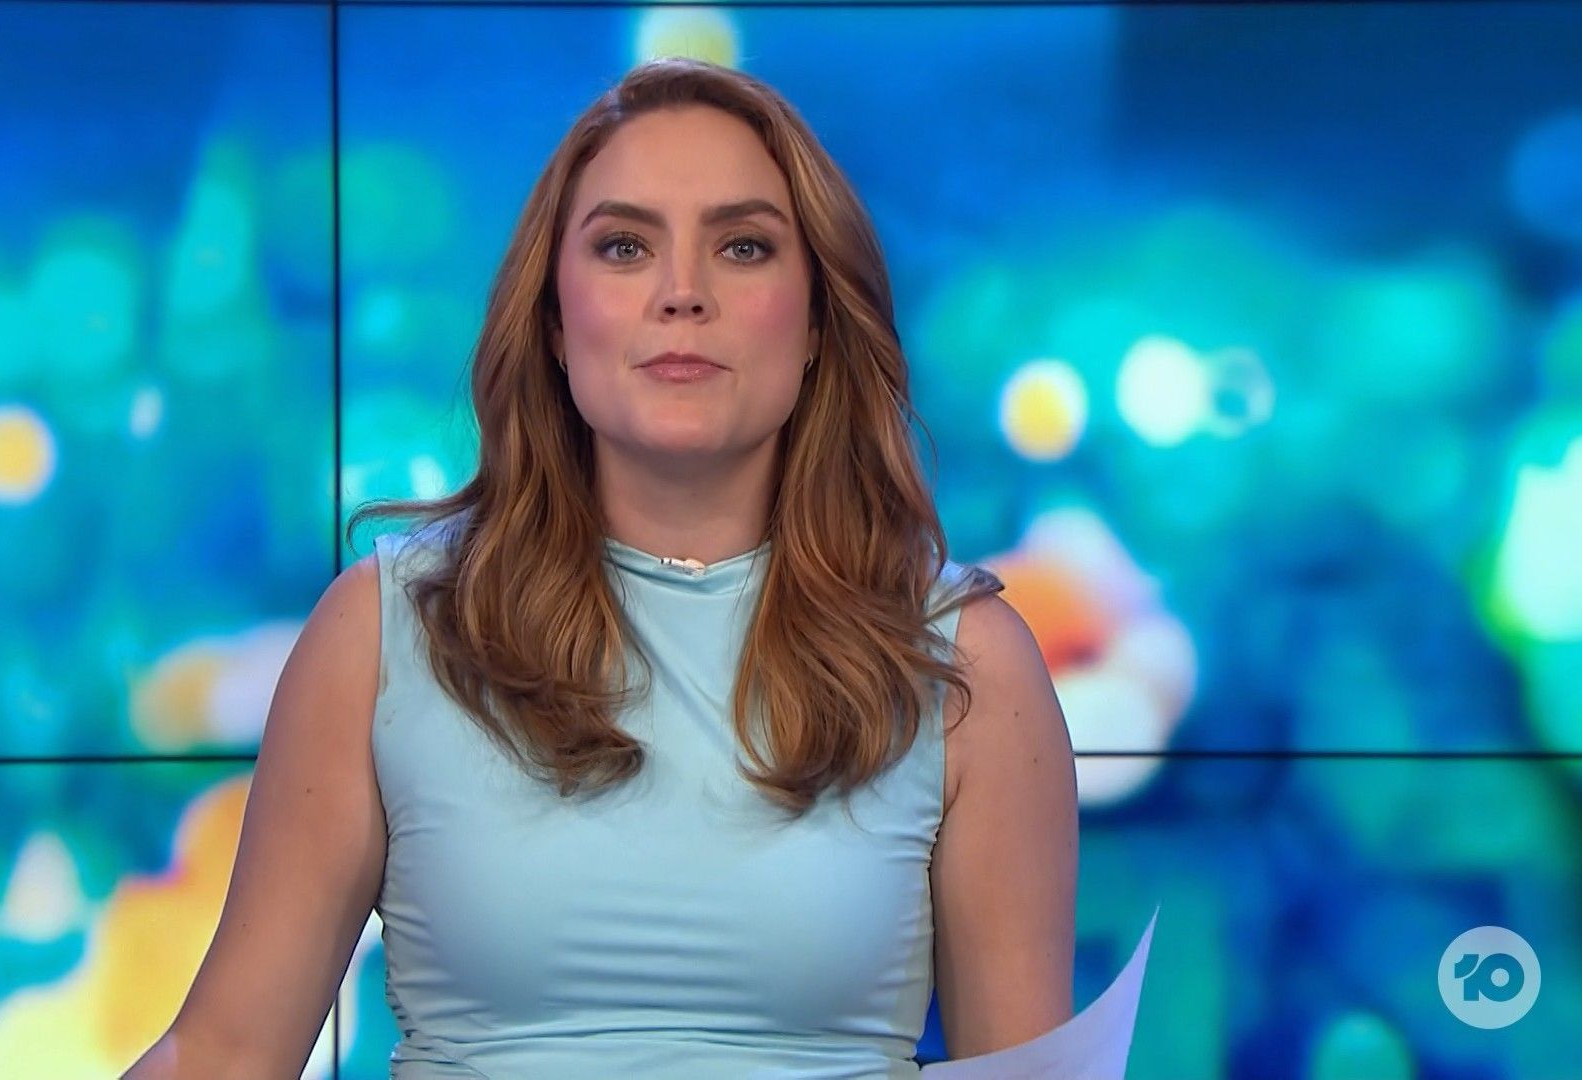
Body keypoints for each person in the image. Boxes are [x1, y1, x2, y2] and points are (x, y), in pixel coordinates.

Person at [127, 56, 1077, 1079]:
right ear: (552, 319)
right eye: (625, 247)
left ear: (815, 323)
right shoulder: (387, 631)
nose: (683, 294)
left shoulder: (965, 665)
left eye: (743, 246)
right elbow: (224, 1054)